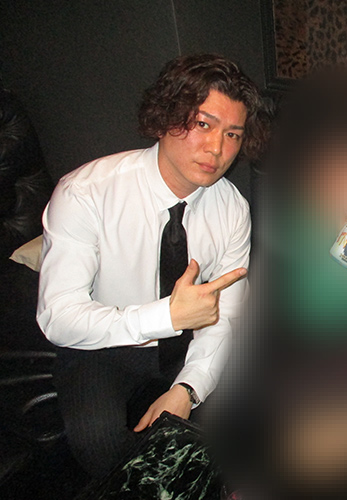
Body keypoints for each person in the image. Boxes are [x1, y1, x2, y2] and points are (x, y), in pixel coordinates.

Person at [37, 53, 267, 477]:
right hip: (102, 347)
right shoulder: (86, 193)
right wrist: (167, 316)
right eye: (203, 124)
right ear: (165, 118)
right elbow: (59, 318)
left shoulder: (232, 208)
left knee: (253, 422)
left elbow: (225, 317)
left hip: (189, 342)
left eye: (232, 134)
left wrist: (189, 388)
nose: (217, 149)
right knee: (100, 441)